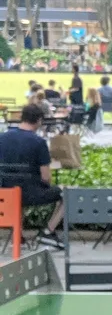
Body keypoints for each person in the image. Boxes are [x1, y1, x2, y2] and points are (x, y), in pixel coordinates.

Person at [0, 103, 65, 247]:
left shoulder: (2, 138)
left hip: (5, 192)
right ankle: (48, 231)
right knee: (67, 193)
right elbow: (46, 177)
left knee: (18, 190)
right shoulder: (39, 142)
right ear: (39, 120)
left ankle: (18, 236)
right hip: (30, 194)